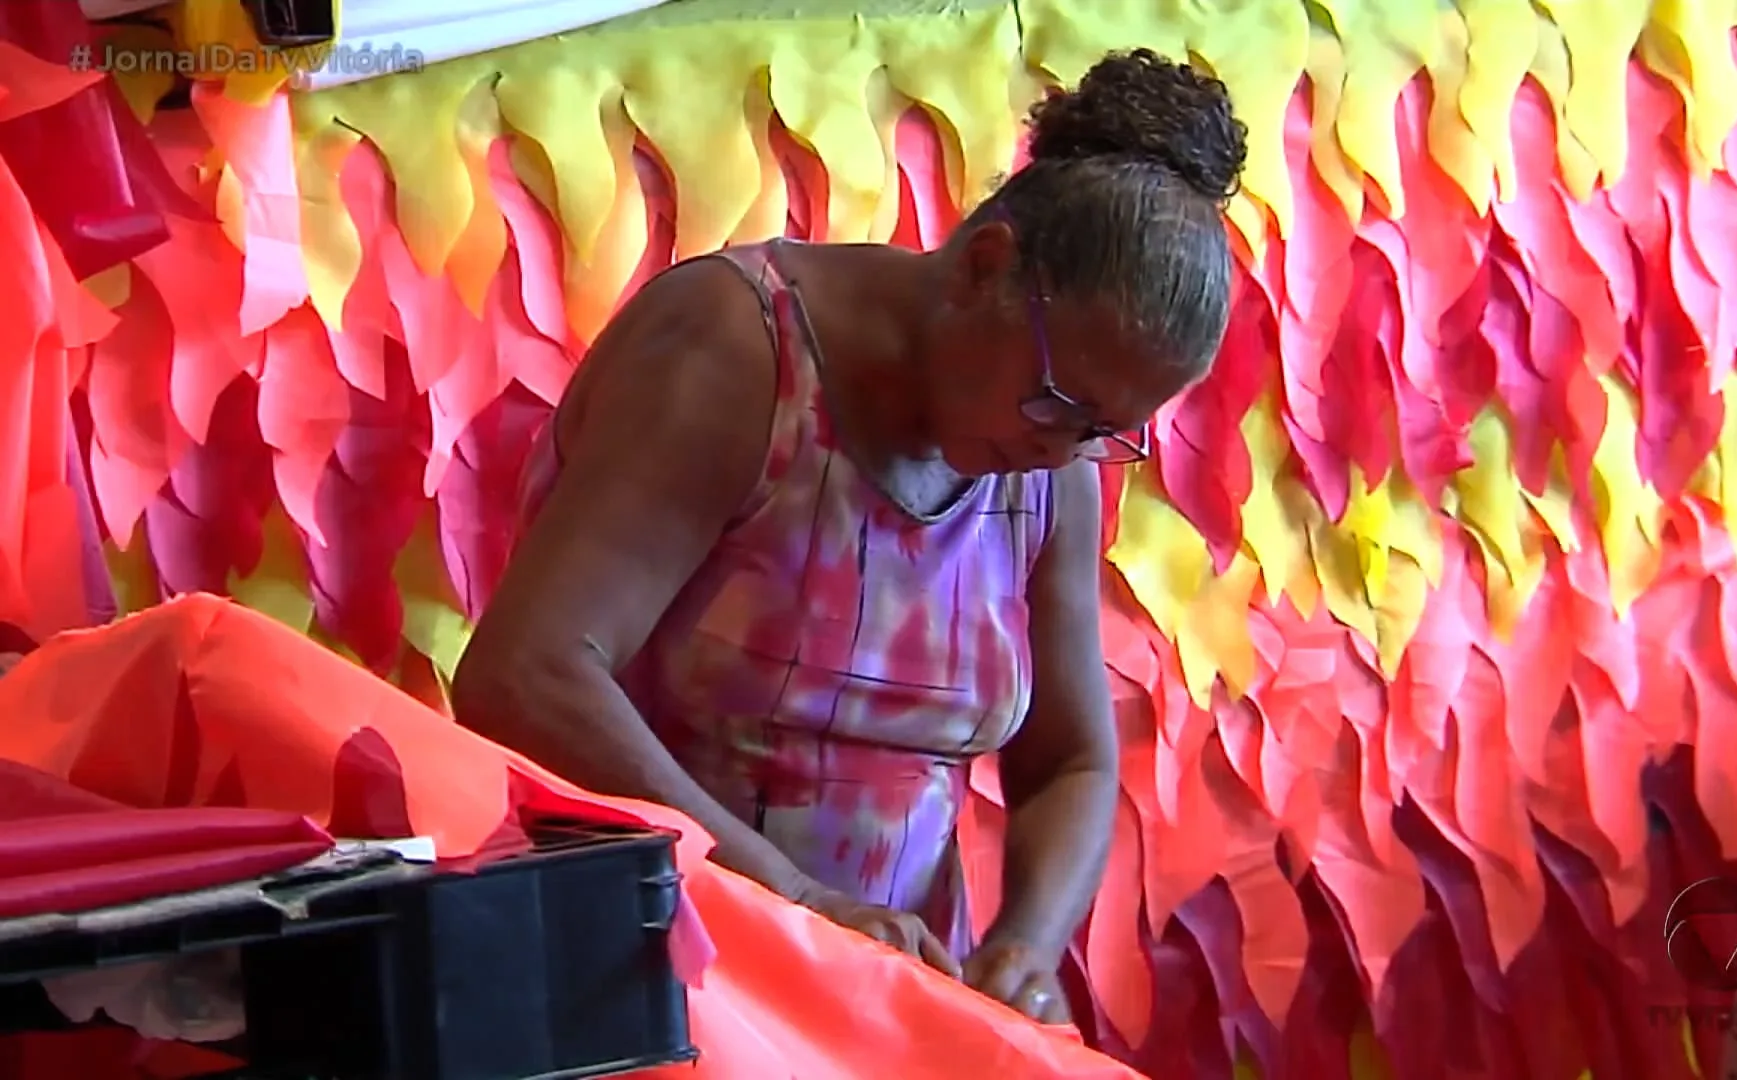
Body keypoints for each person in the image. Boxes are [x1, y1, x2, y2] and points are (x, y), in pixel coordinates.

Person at [451, 48, 1247, 1023]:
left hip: (868, 1013)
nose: (1063, 450)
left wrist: (1024, 952)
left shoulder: (1049, 466)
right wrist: (790, 899)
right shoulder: (739, 354)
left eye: (1101, 433)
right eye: (1056, 404)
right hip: (639, 984)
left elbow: (1071, 762)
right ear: (986, 266)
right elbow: (526, 675)